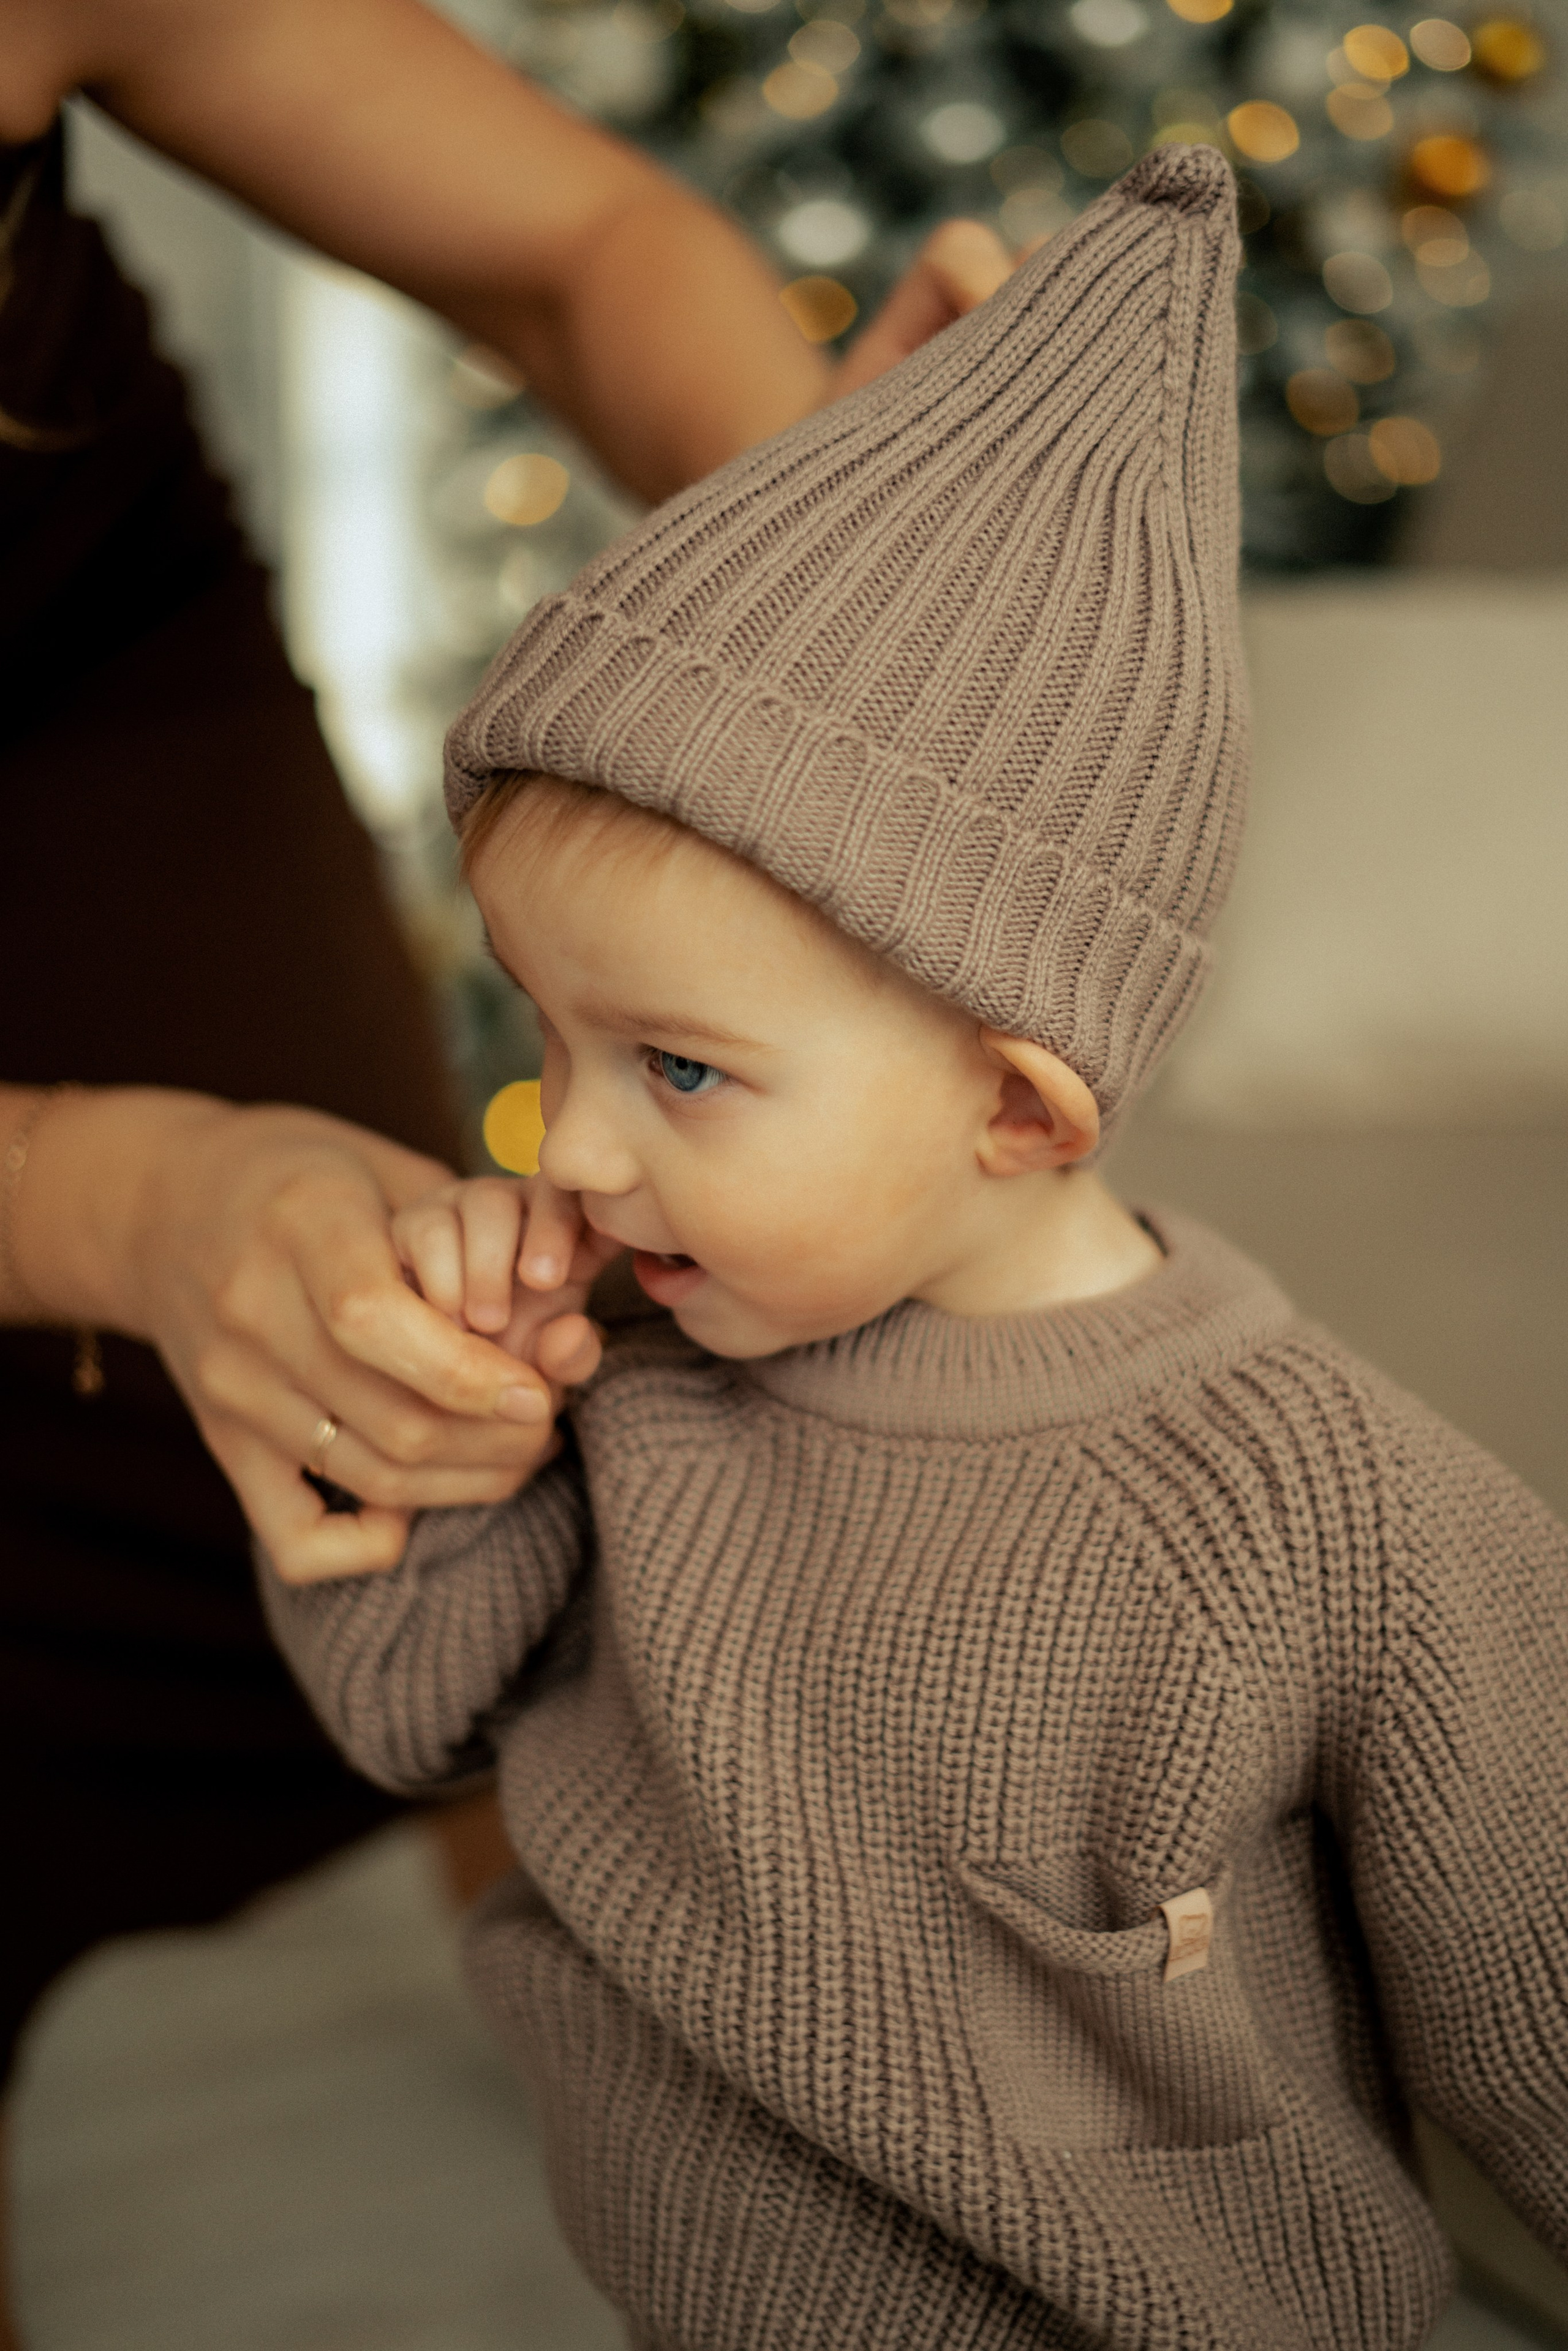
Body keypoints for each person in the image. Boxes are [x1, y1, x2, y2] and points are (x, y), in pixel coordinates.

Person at [260, 146, 1568, 2349]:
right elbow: (406, 1712)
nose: (562, 1140)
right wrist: (447, 1442)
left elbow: (1538, 2010)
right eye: (542, 1027)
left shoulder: (1329, 1509)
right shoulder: (637, 1347)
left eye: (675, 1070)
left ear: (1014, 1108)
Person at [0, 0, 1012, 2321]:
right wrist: (134, 1200)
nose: (581, 1149)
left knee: (380, 1411)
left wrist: (802, 512)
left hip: (70, 634)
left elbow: (572, 243)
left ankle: (629, 1979)